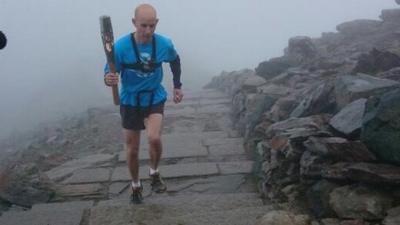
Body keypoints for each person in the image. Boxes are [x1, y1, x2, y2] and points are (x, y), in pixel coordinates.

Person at [103, 4, 183, 204]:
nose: (148, 31)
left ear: (156, 23)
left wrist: (177, 86)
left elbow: (175, 61)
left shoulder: (164, 44)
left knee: (154, 138)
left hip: (154, 96)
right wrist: (109, 79)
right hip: (130, 100)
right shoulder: (120, 47)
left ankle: (154, 173)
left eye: (151, 26)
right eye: (143, 26)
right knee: (133, 149)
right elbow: (109, 72)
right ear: (134, 23)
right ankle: (136, 185)